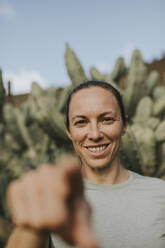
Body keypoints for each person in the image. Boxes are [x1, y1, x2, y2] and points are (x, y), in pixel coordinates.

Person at [6, 81, 165, 248]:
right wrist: (32, 227)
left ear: (124, 125)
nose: (95, 134)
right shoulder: (56, 197)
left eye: (107, 120)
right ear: (68, 131)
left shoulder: (161, 192)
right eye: (81, 122)